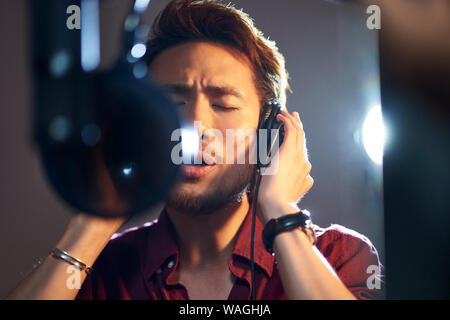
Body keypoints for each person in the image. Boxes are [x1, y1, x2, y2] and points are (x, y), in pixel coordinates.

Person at [6, 0, 383, 300]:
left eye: (222, 104)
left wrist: (282, 215)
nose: (193, 128)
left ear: (270, 132)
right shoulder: (100, 270)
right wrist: (97, 216)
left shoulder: (339, 256)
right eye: (171, 103)